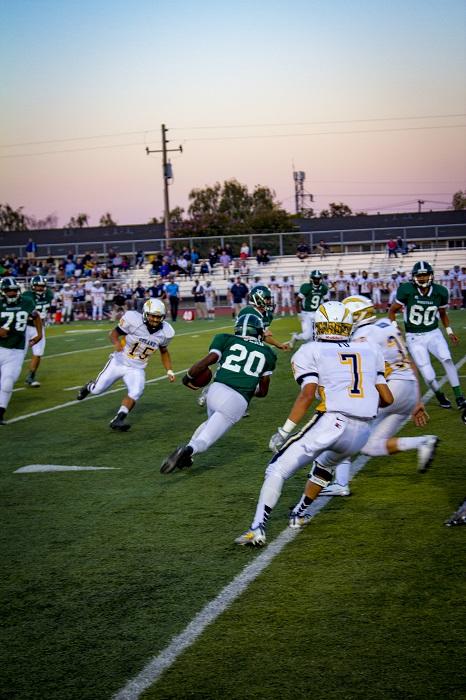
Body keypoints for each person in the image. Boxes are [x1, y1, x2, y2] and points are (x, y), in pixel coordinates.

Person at [235, 301, 393, 546]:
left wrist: (284, 431)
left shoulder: (311, 350)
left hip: (333, 422)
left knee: (277, 469)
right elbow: (387, 398)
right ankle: (299, 514)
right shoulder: (370, 349)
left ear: (321, 326)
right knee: (325, 467)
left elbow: (307, 394)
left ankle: (257, 528)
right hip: (362, 431)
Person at [318, 295, 438, 496]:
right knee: (371, 446)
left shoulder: (362, 336)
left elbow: (357, 372)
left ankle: (340, 483)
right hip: (407, 387)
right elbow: (409, 361)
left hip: (391, 388)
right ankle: (423, 441)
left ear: (358, 315)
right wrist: (417, 400)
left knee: (345, 429)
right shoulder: (387, 325)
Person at [160, 314, 276, 473]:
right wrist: (250, 387)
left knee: (210, 423)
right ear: (258, 331)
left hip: (215, 391)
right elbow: (263, 392)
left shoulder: (225, 338)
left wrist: (188, 377)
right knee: (206, 440)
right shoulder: (268, 353)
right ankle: (188, 450)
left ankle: (187, 456)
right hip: (237, 399)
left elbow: (208, 361)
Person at [76, 299, 175, 431]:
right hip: (119, 361)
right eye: (152, 316)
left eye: (158, 317)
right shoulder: (133, 320)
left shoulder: (166, 332)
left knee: (136, 392)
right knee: (97, 390)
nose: (155, 320)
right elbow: (113, 333)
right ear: (145, 314)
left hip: (137, 367)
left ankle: (119, 419)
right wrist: (116, 342)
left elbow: (164, 351)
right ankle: (89, 387)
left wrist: (169, 370)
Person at [389, 261, 465, 409]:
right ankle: (439, 394)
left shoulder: (441, 291)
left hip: (433, 333)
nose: (423, 278)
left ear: (431, 276)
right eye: (420, 276)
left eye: (425, 275)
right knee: (428, 375)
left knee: (447, 359)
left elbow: (442, 314)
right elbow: (391, 311)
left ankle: (459, 396)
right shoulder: (406, 290)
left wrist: (449, 331)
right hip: (414, 337)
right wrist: (395, 328)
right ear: (414, 277)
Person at [0, 277, 42, 424]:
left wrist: (39, 334)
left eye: (13, 290)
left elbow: (36, 317)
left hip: (16, 350)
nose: (11, 293)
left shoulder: (27, 302)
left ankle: (0, 412)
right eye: (8, 291)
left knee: (7, 382)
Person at [23, 275, 54, 388]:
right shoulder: (27, 295)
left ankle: (31, 377)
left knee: (38, 352)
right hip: (26, 328)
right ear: (33, 286)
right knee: (18, 354)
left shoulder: (49, 295)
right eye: (37, 286)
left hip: (39, 328)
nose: (40, 288)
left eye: (42, 286)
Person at [289, 269, 329, 346]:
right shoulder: (306, 287)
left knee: (317, 336)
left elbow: (327, 302)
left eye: (318, 278)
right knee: (307, 336)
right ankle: (296, 337)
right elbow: (297, 301)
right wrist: (299, 313)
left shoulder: (324, 288)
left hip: (317, 313)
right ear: (312, 278)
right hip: (306, 313)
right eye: (315, 278)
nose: (316, 280)